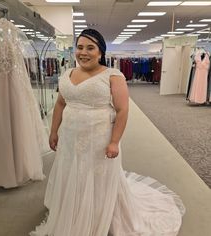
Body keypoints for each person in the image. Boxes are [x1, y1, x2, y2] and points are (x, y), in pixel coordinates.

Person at [30, 29, 185, 236]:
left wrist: (114, 142)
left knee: (97, 177)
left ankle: (97, 215)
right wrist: (54, 131)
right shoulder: (67, 74)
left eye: (90, 48)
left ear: (101, 52)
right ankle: (74, 209)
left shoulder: (113, 75)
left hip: (99, 138)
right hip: (70, 136)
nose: (83, 52)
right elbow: (59, 104)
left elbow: (122, 110)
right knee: (72, 171)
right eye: (80, 47)